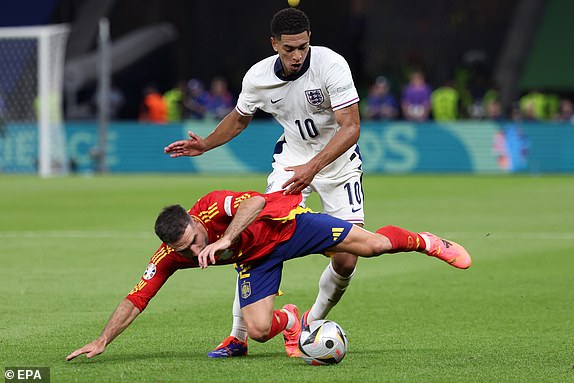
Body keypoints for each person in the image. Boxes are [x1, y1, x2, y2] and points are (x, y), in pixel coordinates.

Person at [164, 8, 365, 358]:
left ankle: (309, 324)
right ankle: (237, 336)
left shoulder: (332, 65)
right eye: (289, 49)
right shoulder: (258, 77)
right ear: (274, 44)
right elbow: (239, 119)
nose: (298, 55)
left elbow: (350, 127)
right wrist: (206, 143)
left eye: (303, 47)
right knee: (254, 234)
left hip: (339, 166)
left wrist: (313, 168)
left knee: (347, 258)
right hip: (291, 162)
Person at [66, 189, 472, 362]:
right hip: (256, 261)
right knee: (260, 330)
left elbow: (257, 200)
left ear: (194, 219)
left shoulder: (211, 207)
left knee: (372, 248)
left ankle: (425, 241)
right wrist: (102, 340)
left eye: (194, 241)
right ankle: (293, 320)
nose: (193, 252)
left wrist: (224, 238)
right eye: (184, 249)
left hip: (287, 226)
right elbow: (137, 297)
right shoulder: (172, 255)